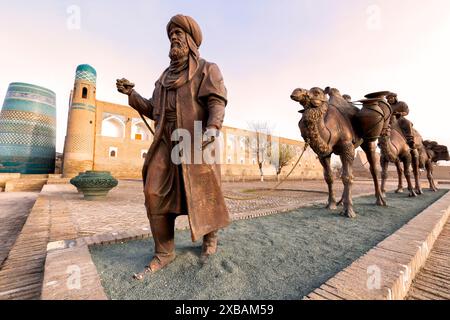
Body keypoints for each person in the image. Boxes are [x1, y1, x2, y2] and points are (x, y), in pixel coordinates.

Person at [116, 14, 230, 279]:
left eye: (179, 33)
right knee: (153, 192)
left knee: (203, 191)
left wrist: (213, 129)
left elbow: (217, 102)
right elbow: (152, 108)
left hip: (195, 140)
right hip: (165, 140)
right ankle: (164, 251)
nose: (174, 38)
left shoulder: (207, 69)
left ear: (191, 40)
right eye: (171, 35)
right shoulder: (164, 77)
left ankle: (209, 238)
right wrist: (131, 95)